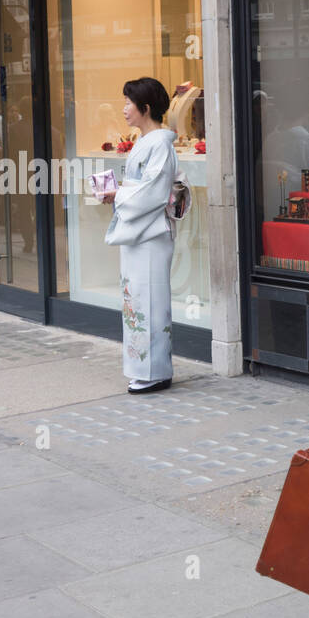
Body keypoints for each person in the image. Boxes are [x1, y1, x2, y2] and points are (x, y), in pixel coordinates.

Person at [97, 77, 179, 394]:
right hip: (139, 232)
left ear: (145, 108)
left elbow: (154, 192)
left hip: (151, 234)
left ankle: (156, 369)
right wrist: (116, 194)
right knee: (137, 299)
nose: (124, 109)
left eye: (129, 103)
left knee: (150, 300)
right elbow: (142, 189)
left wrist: (118, 194)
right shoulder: (147, 142)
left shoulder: (159, 144)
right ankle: (142, 365)